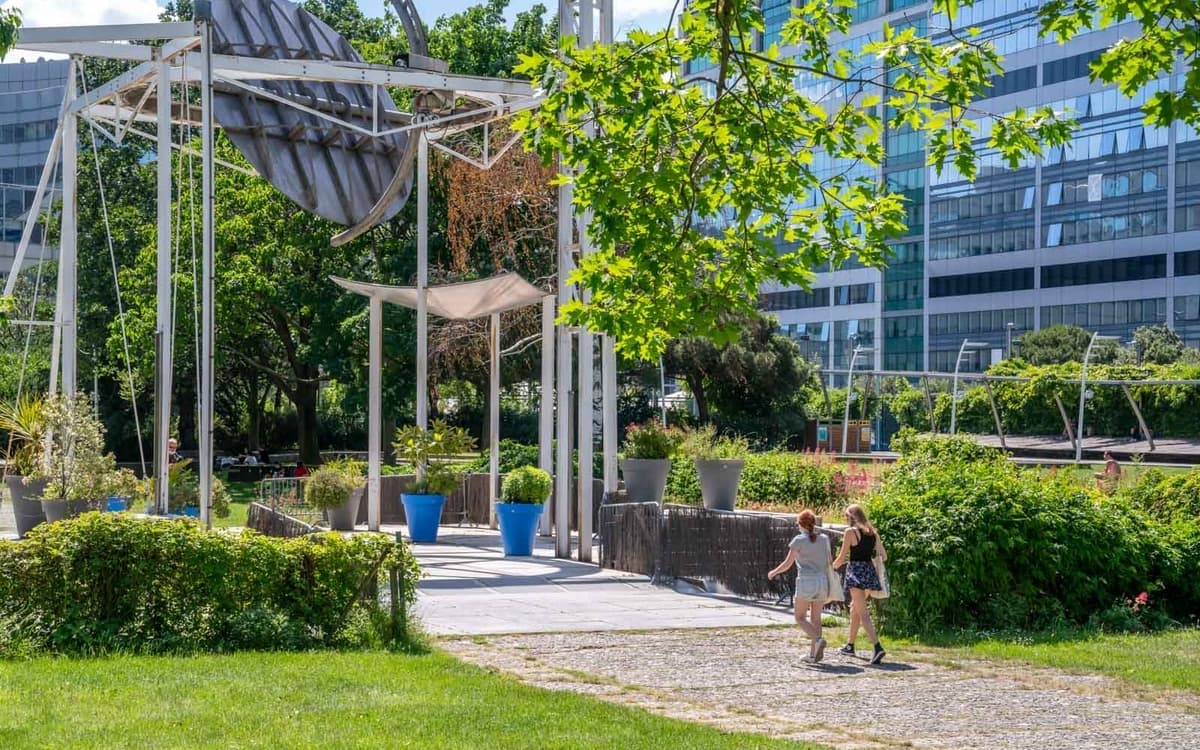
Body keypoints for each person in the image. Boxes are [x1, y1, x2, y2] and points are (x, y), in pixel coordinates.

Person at [768, 509, 833, 663]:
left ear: (800, 524)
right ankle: (813, 654)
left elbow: (787, 563)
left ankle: (817, 640)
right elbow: (829, 561)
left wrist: (774, 572)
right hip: (822, 581)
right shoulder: (824, 539)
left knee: (800, 617)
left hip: (806, 582)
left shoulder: (798, 540)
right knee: (816, 619)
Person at [832, 503, 887, 664]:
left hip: (856, 574)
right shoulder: (873, 533)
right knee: (855, 609)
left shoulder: (850, 532)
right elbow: (883, 556)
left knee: (863, 614)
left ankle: (877, 647)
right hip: (869, 574)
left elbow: (842, 558)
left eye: (846, 516)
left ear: (851, 517)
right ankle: (850, 645)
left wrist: (830, 567)